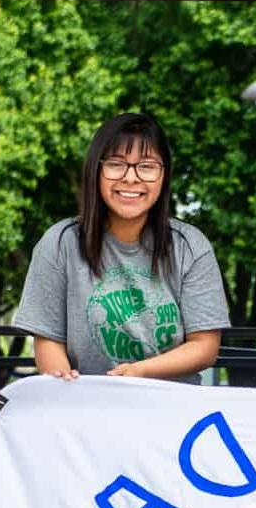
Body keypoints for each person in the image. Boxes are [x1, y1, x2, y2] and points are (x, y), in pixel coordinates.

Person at [13, 111, 230, 381]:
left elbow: (205, 347)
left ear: (164, 176)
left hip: (174, 411)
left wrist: (137, 373)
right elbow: (48, 340)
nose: (131, 178)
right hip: (87, 405)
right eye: (116, 164)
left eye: (147, 166)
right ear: (96, 170)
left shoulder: (191, 246)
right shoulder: (59, 243)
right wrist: (63, 380)